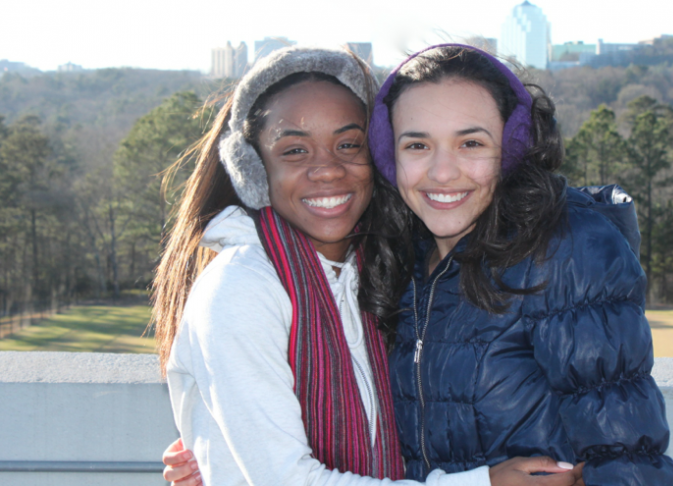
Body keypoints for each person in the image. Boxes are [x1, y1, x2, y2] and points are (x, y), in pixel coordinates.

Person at [155, 46, 579, 486]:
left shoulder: (380, 269)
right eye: (295, 150)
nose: (327, 170)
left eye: (348, 145)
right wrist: (485, 484)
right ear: (254, 171)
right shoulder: (241, 288)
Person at [364, 44, 673, 485]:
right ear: (389, 156)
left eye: (471, 142)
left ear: (512, 147)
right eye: (417, 144)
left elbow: (627, 455)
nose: (441, 172)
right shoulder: (401, 258)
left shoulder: (565, 248)